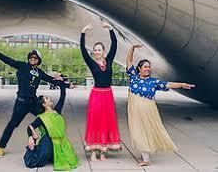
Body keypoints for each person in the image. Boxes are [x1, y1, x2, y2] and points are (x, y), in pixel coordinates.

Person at [0, 45, 72, 157]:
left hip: (33, 103)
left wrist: (67, 84)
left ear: (39, 60)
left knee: (47, 119)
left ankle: (51, 144)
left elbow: (51, 79)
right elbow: (9, 61)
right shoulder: (22, 66)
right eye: (31, 57)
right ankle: (1, 147)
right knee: (12, 124)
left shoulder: (39, 72)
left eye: (35, 58)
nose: (32, 59)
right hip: (21, 103)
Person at [126, 44, 195, 166]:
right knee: (137, 132)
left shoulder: (153, 82)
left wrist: (182, 84)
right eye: (145, 67)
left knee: (147, 131)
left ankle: (146, 158)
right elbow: (129, 60)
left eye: (149, 67)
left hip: (148, 111)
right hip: (134, 111)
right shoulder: (133, 77)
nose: (148, 69)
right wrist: (132, 48)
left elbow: (168, 84)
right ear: (139, 68)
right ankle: (144, 154)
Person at [80, 22, 121, 161]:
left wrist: (110, 29)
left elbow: (114, 44)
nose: (96, 52)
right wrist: (83, 33)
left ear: (103, 51)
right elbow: (83, 52)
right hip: (96, 95)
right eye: (95, 50)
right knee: (95, 121)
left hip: (108, 94)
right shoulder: (92, 63)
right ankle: (93, 151)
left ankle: (103, 151)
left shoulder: (109, 60)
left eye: (99, 50)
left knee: (107, 122)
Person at [24, 83, 77, 170]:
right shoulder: (42, 117)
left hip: (61, 141)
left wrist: (62, 82)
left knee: (70, 160)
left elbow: (63, 95)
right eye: (47, 98)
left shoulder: (57, 111)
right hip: (47, 141)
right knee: (35, 162)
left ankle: (50, 155)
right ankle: (33, 150)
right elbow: (30, 126)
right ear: (44, 104)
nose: (50, 98)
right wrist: (30, 137)